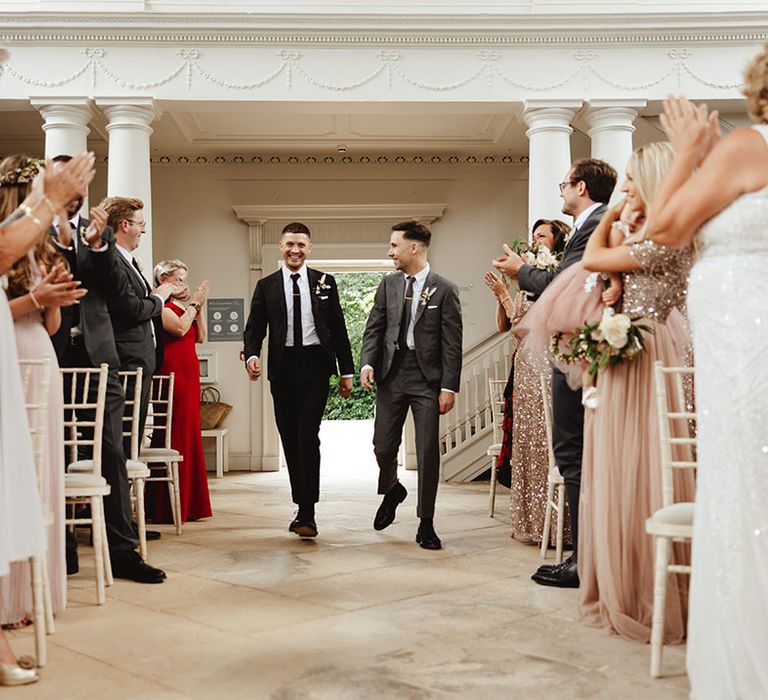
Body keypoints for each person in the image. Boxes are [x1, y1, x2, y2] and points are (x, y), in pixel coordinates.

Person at [644, 53, 768, 695]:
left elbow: (662, 230)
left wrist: (687, 150)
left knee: (748, 491)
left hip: (748, 354)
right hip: (741, 348)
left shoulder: (750, 143)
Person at [577, 141, 695, 643]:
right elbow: (605, 271)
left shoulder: (668, 234)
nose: (623, 187)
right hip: (625, 344)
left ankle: (648, 589)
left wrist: (610, 217)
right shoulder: (647, 231)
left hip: (647, 350)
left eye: (631, 178)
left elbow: (591, 257)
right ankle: (617, 581)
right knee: (615, 462)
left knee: (642, 460)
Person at [493, 158, 617, 586]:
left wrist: (520, 272)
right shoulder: (595, 224)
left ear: (581, 188)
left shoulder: (596, 225)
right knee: (576, 455)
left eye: (564, 184)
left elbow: (568, 284)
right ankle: (586, 555)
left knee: (572, 453)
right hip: (584, 350)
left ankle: (584, 562)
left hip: (579, 352)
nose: (561, 191)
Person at [50, 157, 166, 585]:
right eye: (67, 178)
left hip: (99, 357)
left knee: (112, 453)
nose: (78, 187)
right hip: (50, 353)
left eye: (83, 179)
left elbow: (114, 291)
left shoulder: (94, 236)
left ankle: (122, 552)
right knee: (55, 453)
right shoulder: (30, 228)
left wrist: (98, 246)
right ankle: (60, 551)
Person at [0, 151, 93, 686]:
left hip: (41, 353)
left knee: (38, 476)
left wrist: (53, 296)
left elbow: (54, 324)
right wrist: (33, 297)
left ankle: (36, 593)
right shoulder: (8, 240)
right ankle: (9, 600)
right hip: (11, 352)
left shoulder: (38, 247)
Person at [243, 223, 354, 538]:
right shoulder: (267, 286)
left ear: (310, 248)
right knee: (290, 439)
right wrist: (252, 355)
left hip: (316, 366)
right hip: (282, 368)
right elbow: (254, 329)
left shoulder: (325, 282)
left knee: (308, 435)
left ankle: (308, 512)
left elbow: (338, 328)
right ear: (281, 246)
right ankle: (301, 503)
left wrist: (346, 371)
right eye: (290, 244)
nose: (295, 250)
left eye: (301, 245)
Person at [361, 220, 462, 550]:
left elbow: (451, 343)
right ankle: (392, 488)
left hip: (427, 380)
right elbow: (374, 329)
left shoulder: (444, 289)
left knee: (428, 451)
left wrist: (450, 386)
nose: (390, 251)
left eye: (394, 245)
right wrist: (367, 362)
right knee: (382, 446)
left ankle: (426, 523)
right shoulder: (388, 285)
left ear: (413, 248)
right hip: (391, 375)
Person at [484, 218, 570, 544]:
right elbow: (505, 326)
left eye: (542, 236)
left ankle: (559, 524)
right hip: (522, 372)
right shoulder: (525, 286)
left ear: (557, 243)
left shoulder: (558, 280)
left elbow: (530, 325)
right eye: (533, 236)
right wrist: (501, 297)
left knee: (547, 442)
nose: (535, 241)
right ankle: (531, 520)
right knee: (527, 444)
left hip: (546, 370)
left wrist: (506, 294)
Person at [101, 196, 174, 447]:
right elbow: (131, 310)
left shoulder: (128, 261)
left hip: (141, 358)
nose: (144, 229)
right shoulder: (113, 260)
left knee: (135, 431)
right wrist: (159, 299)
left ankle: (130, 483)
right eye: (140, 223)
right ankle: (124, 484)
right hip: (128, 358)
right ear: (124, 225)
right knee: (125, 432)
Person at [152, 259, 212, 524]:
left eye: (185, 279)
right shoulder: (162, 307)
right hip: (171, 372)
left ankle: (192, 504)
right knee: (174, 431)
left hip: (190, 373)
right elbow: (178, 328)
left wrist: (199, 306)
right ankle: (165, 504)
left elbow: (201, 337)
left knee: (190, 433)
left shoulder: (186, 308)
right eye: (178, 279)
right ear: (163, 280)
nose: (184, 284)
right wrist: (194, 304)